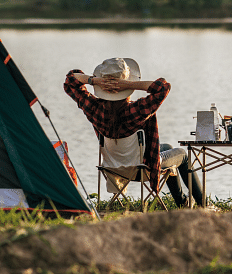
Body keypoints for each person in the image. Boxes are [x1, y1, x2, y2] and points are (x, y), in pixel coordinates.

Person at [63, 57, 203, 208]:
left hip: (113, 168)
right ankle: (203, 204)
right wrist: (129, 84)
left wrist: (94, 81)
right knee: (182, 154)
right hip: (143, 168)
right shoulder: (137, 110)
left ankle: (183, 202)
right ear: (125, 87)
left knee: (167, 147)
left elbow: (71, 80)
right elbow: (163, 87)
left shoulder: (93, 108)